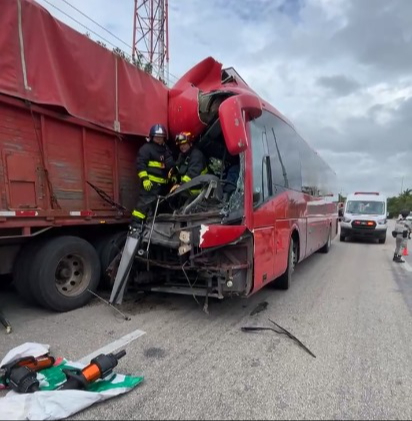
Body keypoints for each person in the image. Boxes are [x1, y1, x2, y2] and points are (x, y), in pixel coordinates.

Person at [130, 123, 174, 230]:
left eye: (161, 137)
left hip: (163, 186)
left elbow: (170, 165)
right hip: (150, 184)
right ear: (152, 137)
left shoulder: (166, 150)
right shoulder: (146, 149)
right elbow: (141, 165)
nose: (159, 139)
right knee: (144, 205)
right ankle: (135, 225)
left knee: (158, 208)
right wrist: (145, 179)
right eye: (157, 137)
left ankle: (151, 226)